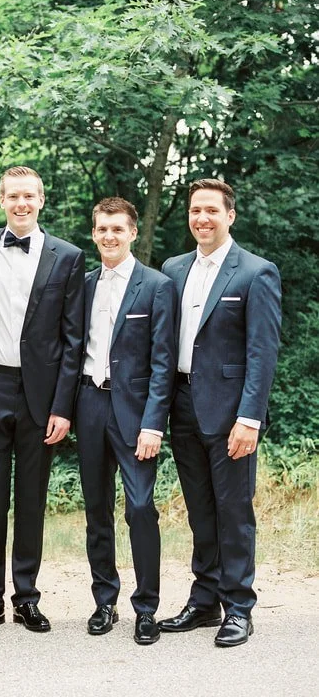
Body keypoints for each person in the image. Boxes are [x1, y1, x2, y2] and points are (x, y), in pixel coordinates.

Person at [0, 166, 85, 634]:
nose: (21, 204)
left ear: (42, 199)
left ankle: (26, 597)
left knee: (31, 500)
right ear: (1, 200)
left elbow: (74, 340)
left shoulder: (68, 257)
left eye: (29, 196)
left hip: (41, 395)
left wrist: (63, 406)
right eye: (13, 196)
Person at [158, 178, 281, 647]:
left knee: (233, 511)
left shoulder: (255, 272)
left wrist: (250, 418)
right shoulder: (172, 268)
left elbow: (262, 353)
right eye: (195, 211)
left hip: (231, 414)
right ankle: (204, 600)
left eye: (211, 210)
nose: (202, 218)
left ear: (230, 215)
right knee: (200, 512)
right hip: (182, 406)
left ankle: (239, 607)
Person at [75, 197, 176, 645]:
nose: (109, 236)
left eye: (117, 228)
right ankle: (104, 600)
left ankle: (147, 607)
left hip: (135, 413)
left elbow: (164, 361)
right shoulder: (83, 284)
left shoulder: (156, 286)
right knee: (97, 510)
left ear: (132, 232)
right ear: (93, 233)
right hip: (90, 406)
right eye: (102, 229)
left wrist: (154, 423)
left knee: (139, 508)